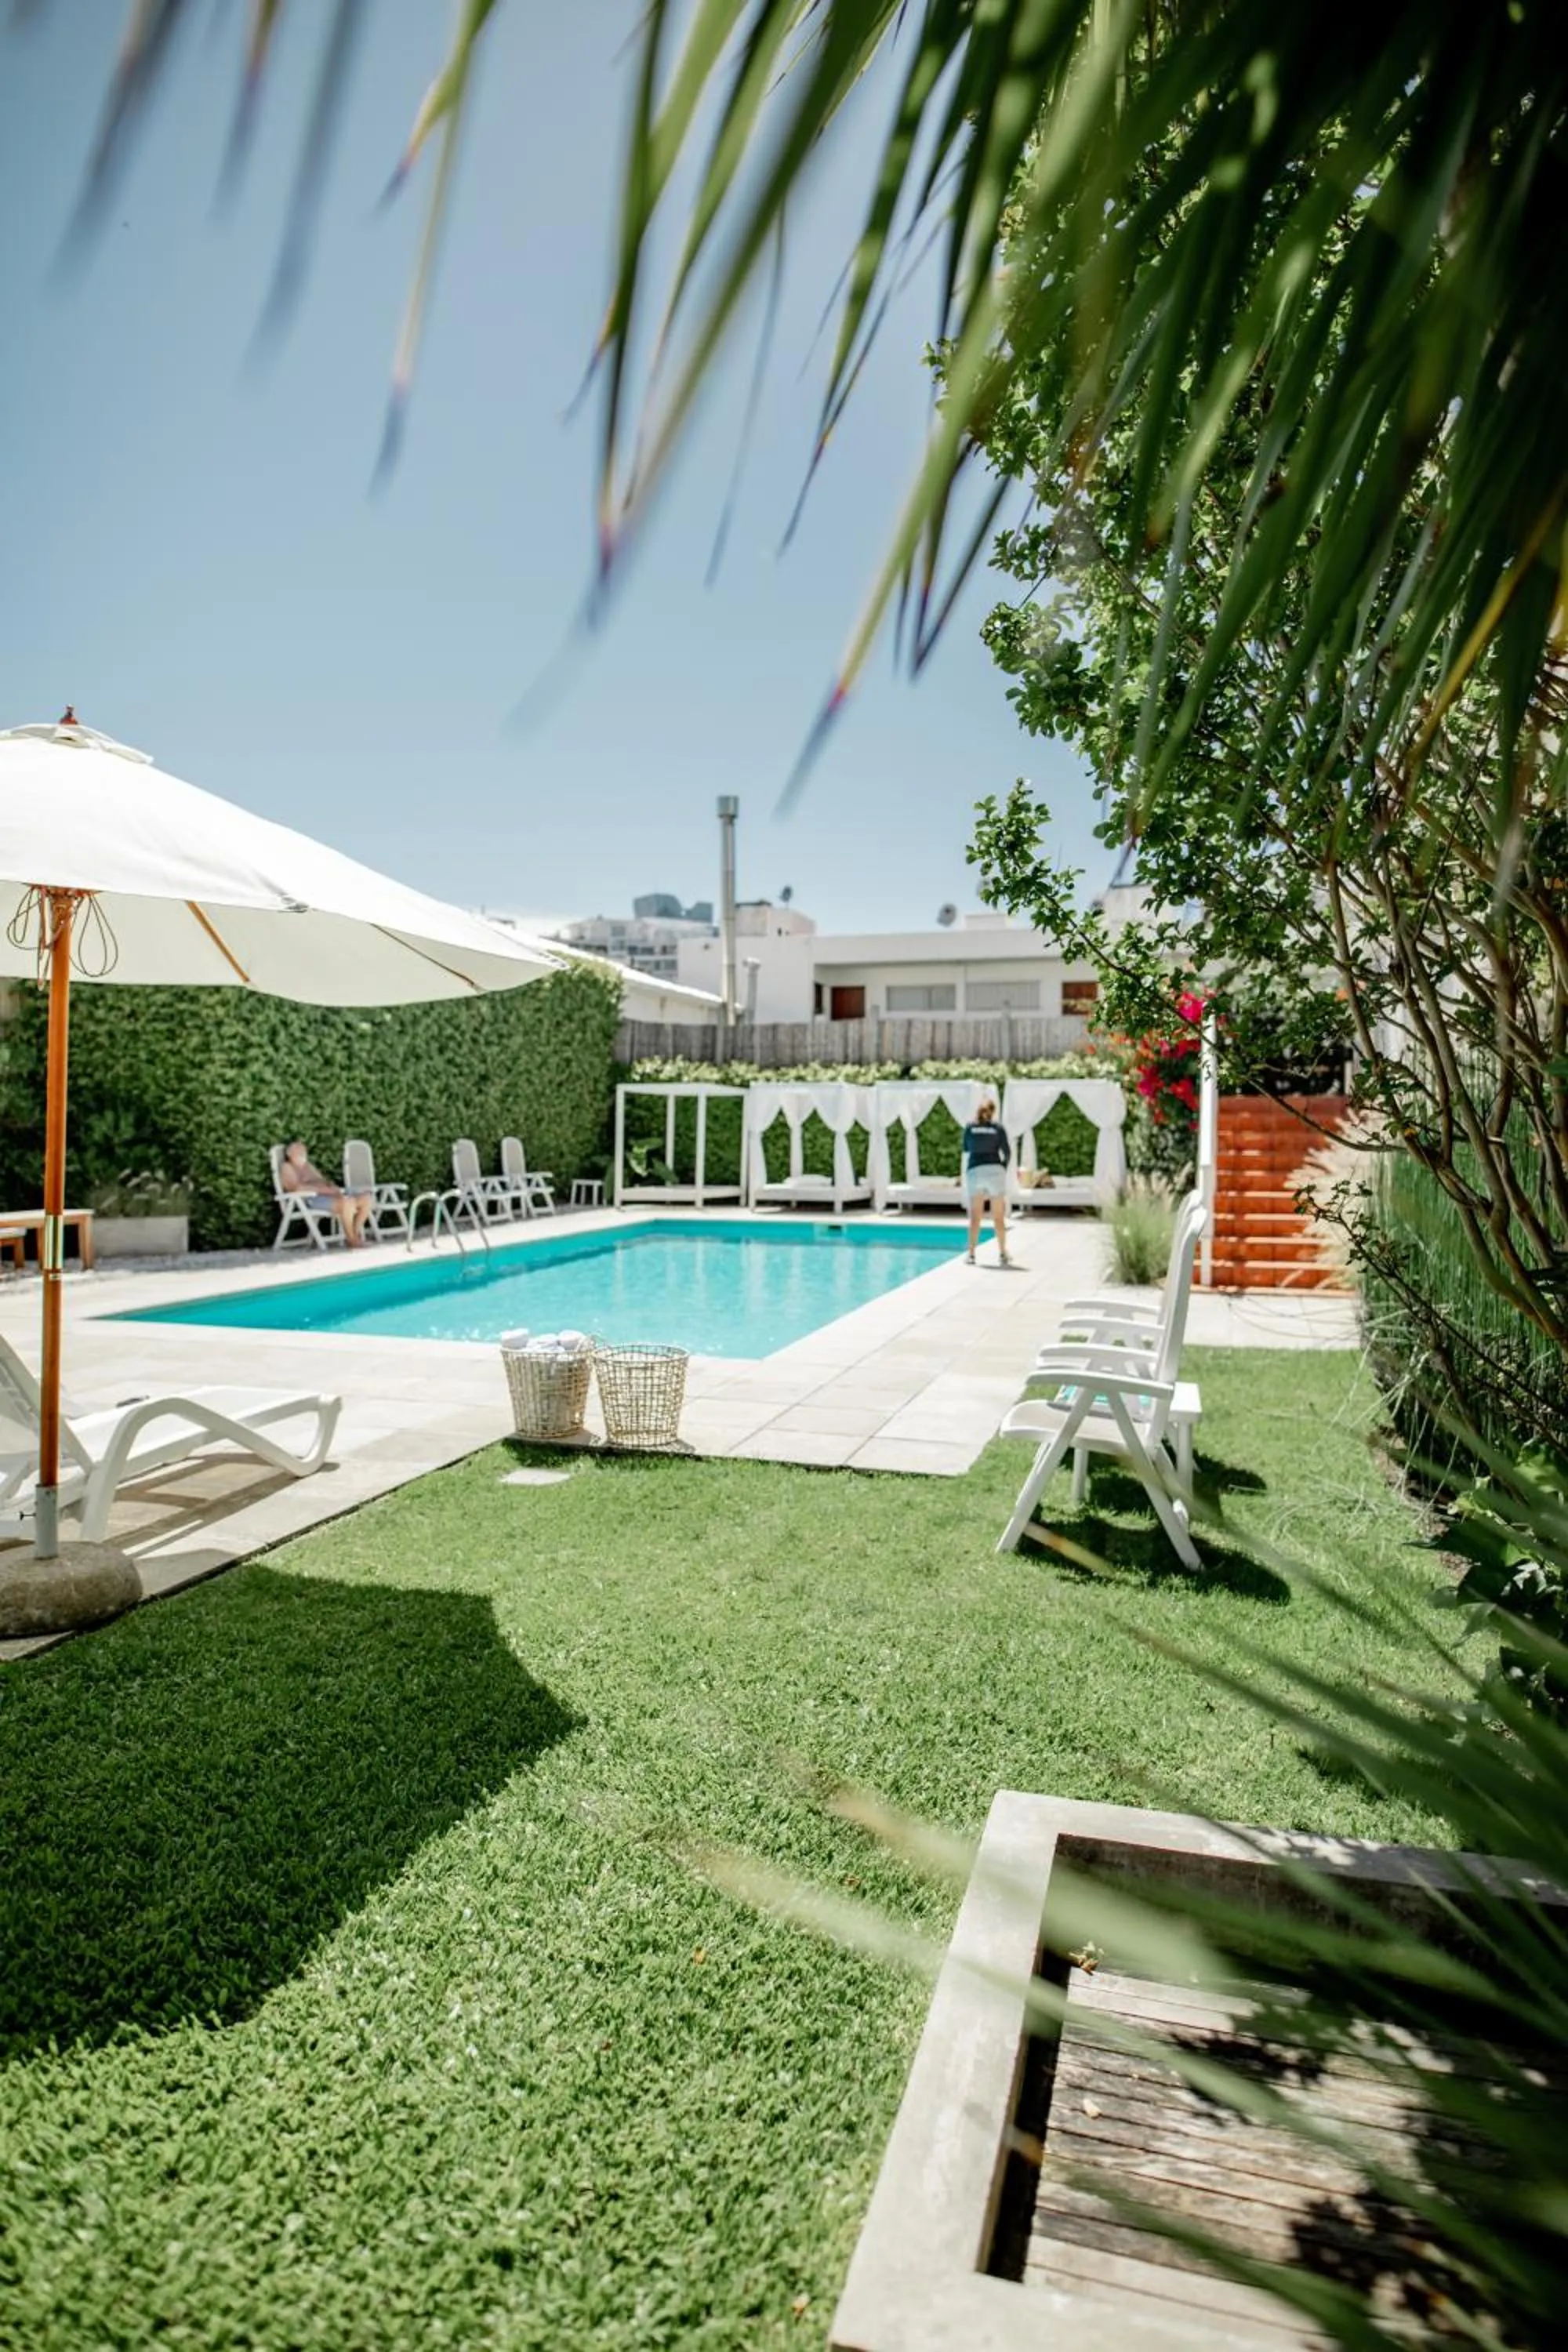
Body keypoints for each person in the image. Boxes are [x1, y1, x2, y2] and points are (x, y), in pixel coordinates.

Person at [280, 1140, 374, 1247]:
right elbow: (297, 1188)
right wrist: (326, 1190)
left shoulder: (308, 1166)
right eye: (298, 1149)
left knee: (366, 1199)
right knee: (348, 1203)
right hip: (313, 1199)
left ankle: (355, 1236)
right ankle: (351, 1240)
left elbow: (322, 1180)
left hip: (328, 1194)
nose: (303, 1151)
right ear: (289, 1154)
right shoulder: (287, 1167)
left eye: (303, 1149)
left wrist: (331, 1186)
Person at [961, 1098, 1013, 1267]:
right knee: (998, 1217)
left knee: (976, 1216)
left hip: (976, 1170)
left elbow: (966, 1148)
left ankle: (971, 1255)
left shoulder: (970, 1128)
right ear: (993, 1111)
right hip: (995, 1170)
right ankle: (1003, 1253)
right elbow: (1007, 1152)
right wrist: (1002, 1168)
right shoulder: (998, 1129)